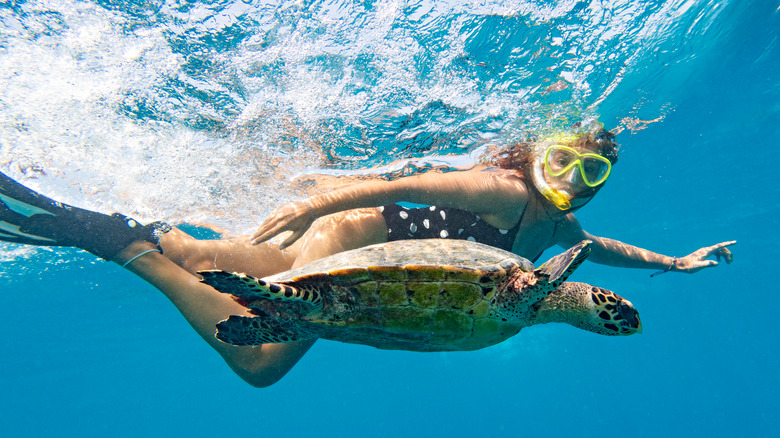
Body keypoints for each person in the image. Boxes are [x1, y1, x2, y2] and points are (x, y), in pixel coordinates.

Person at [0, 124, 734, 387]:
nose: (574, 178)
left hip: (370, 253)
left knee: (214, 252)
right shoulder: (503, 190)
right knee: (259, 361)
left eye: (593, 173)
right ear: (541, 152)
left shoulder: (557, 235)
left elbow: (599, 247)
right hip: (358, 238)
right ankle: (122, 244)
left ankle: (118, 220)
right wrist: (311, 203)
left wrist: (676, 264)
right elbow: (404, 181)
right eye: (568, 158)